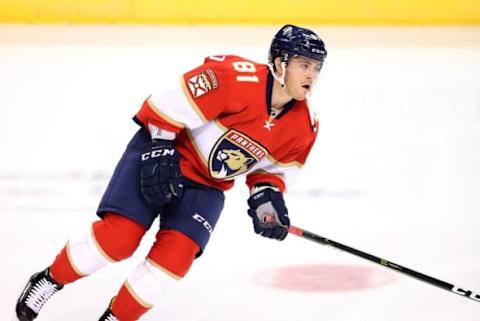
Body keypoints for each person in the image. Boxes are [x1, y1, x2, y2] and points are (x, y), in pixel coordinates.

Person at [14, 24, 327, 321]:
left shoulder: (305, 125)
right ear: (278, 63)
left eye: (316, 68)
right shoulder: (232, 79)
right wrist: (160, 152)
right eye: (304, 65)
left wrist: (267, 201)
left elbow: (272, 173)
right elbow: (163, 107)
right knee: (118, 239)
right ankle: (50, 279)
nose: (311, 75)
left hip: (206, 186)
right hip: (164, 150)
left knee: (174, 260)